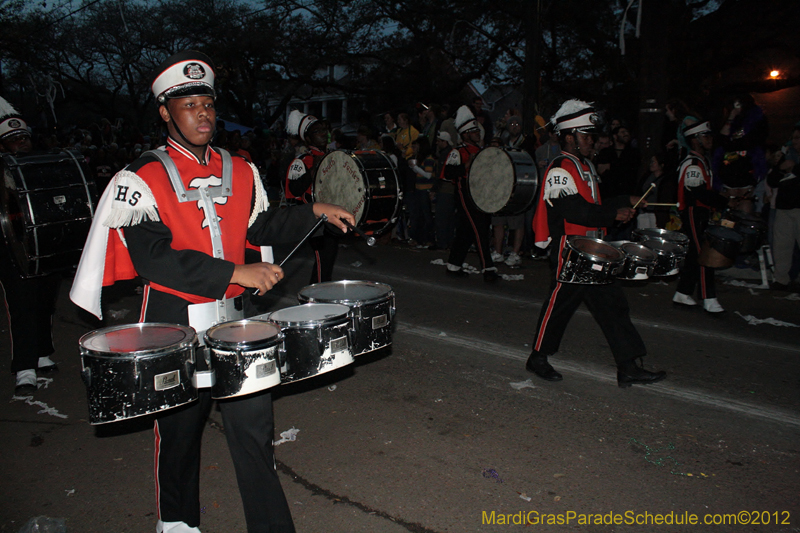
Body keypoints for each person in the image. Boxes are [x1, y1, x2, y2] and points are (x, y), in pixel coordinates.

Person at [69, 51, 355, 533]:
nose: (203, 114)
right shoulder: (141, 177)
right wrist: (235, 273)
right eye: (189, 105)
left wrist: (313, 212)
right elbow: (153, 258)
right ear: (165, 112)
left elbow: (259, 222)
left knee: (254, 432)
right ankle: (178, 524)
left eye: (208, 103)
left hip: (235, 322)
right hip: (171, 320)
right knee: (179, 434)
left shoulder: (239, 168)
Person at [527, 99, 665, 388]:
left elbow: (594, 204)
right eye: (587, 136)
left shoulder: (584, 165)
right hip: (571, 249)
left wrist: (623, 201)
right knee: (559, 306)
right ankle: (538, 357)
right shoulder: (560, 168)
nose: (594, 141)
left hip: (591, 249)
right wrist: (613, 213)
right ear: (569, 137)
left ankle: (628, 366)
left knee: (612, 305)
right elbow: (576, 211)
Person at [0, 97, 58, 395]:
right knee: (21, 305)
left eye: (24, 137)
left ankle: (41, 352)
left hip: (43, 244)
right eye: (12, 140)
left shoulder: (41, 165)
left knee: (45, 300)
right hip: (11, 249)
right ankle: (24, 367)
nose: (21, 143)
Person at [672, 120, 730, 312]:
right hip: (693, 212)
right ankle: (708, 297)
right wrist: (724, 201)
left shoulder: (701, 162)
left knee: (695, 255)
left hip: (699, 212)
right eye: (705, 136)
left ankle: (683, 292)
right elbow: (697, 193)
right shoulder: (694, 164)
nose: (709, 139)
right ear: (695, 140)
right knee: (705, 255)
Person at [444, 105, 498, 281]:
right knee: (480, 229)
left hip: (480, 194)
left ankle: (453, 265)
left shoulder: (481, 151)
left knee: (466, 232)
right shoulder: (457, 152)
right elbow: (448, 173)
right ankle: (488, 270)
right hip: (465, 195)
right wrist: (467, 165)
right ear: (465, 134)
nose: (478, 134)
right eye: (474, 131)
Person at [284, 110, 340, 284]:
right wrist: (313, 170)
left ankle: (318, 296)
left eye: (324, 130)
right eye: (317, 132)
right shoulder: (302, 161)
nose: (323, 134)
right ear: (308, 139)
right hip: (313, 219)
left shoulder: (333, 157)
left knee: (327, 260)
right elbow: (294, 189)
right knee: (323, 260)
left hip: (329, 218)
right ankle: (317, 298)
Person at [492, 115, 537, 267]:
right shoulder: (503, 141)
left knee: (517, 222)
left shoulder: (527, 142)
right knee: (498, 220)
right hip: (503, 186)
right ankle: (498, 252)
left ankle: (515, 253)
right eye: (512, 123)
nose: (514, 126)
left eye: (517, 123)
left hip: (519, 186)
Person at [766, 125, 800, 291]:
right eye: (794, 138)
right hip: (784, 207)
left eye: (798, 138)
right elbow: (772, 180)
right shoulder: (786, 155)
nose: (795, 142)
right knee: (781, 245)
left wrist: (794, 168)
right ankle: (781, 279)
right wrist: (781, 168)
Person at [432, 131, 456, 250]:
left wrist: (434, 189)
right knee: (449, 218)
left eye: (439, 141)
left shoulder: (445, 154)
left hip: (445, 189)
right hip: (451, 189)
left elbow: (440, 174)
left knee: (441, 217)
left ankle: (442, 242)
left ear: (444, 142)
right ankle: (449, 242)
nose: (437, 143)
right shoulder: (452, 153)